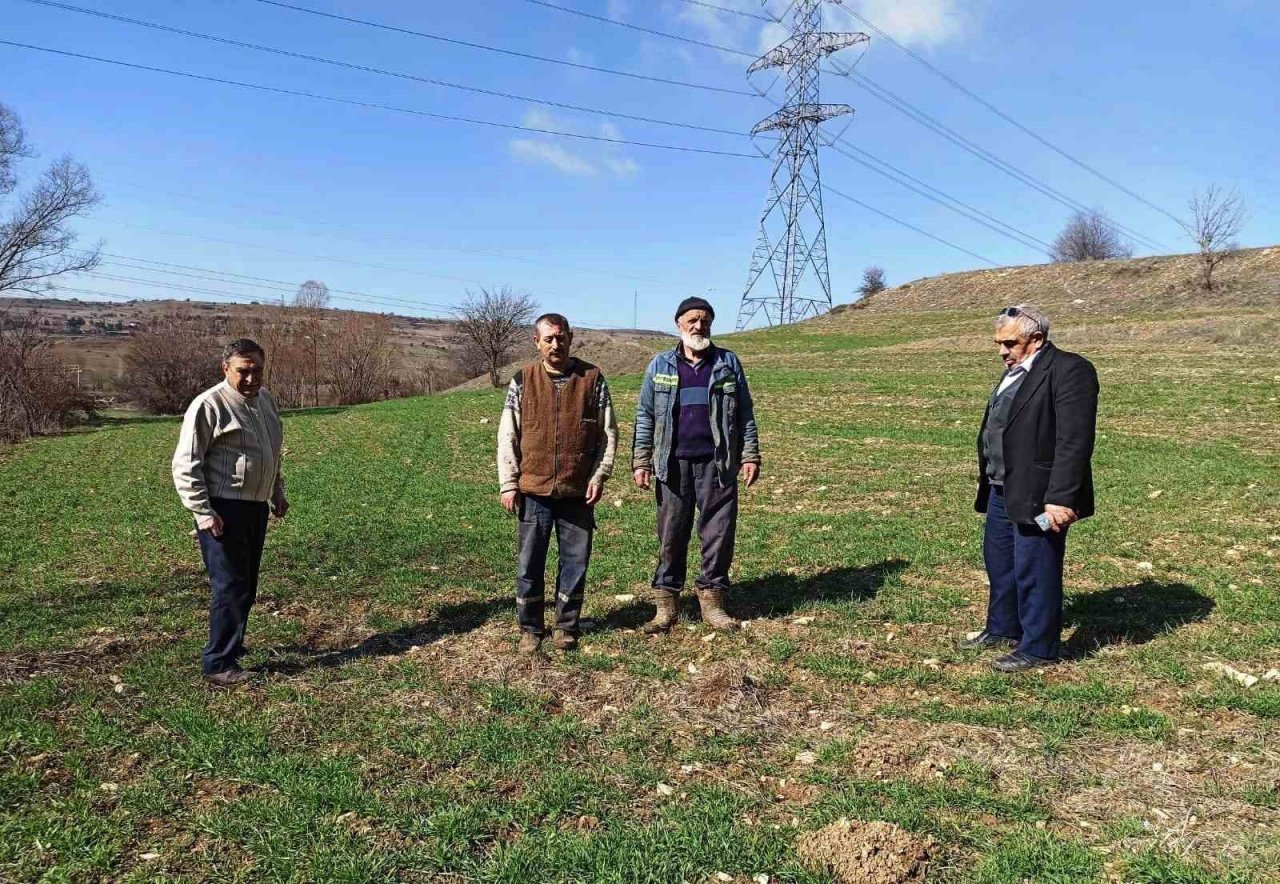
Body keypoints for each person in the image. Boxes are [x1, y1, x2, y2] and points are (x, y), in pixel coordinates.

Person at [963, 304, 1098, 672]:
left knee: (1035, 566)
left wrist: (1060, 499)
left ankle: (1039, 648)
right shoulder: (1011, 373)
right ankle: (1004, 627)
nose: (1002, 351)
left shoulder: (1070, 370)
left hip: (1041, 497)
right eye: (998, 343)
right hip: (1001, 489)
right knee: (1001, 561)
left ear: (1036, 339)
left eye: (1011, 343)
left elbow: (1074, 440)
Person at [632, 297, 761, 633]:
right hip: (671, 465)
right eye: (692, 320)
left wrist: (749, 455)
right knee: (671, 535)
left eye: (705, 320)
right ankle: (666, 605)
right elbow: (645, 415)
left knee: (719, 534)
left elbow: (745, 413)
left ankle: (713, 601)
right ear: (679, 324)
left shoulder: (727, 363)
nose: (698, 326)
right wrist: (641, 460)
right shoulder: (660, 365)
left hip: (718, 464)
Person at [497, 313, 618, 655]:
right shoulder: (523, 380)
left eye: (561, 337)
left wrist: (599, 475)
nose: (555, 344)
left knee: (575, 562)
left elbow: (608, 434)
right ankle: (530, 629)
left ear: (570, 338)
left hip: (577, 491)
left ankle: (566, 626)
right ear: (536, 342)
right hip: (533, 490)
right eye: (548, 338)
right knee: (529, 563)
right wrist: (509, 483)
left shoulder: (592, 379)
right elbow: (508, 435)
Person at [172, 339, 288, 686]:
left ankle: (232, 646)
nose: (251, 378)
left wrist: (276, 490)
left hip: (254, 507)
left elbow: (272, 451)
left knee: (246, 584)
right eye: (243, 371)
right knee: (230, 585)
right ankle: (218, 663)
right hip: (223, 509)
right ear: (226, 369)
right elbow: (185, 465)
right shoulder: (209, 405)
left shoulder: (265, 401)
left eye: (257, 370)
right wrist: (203, 512)